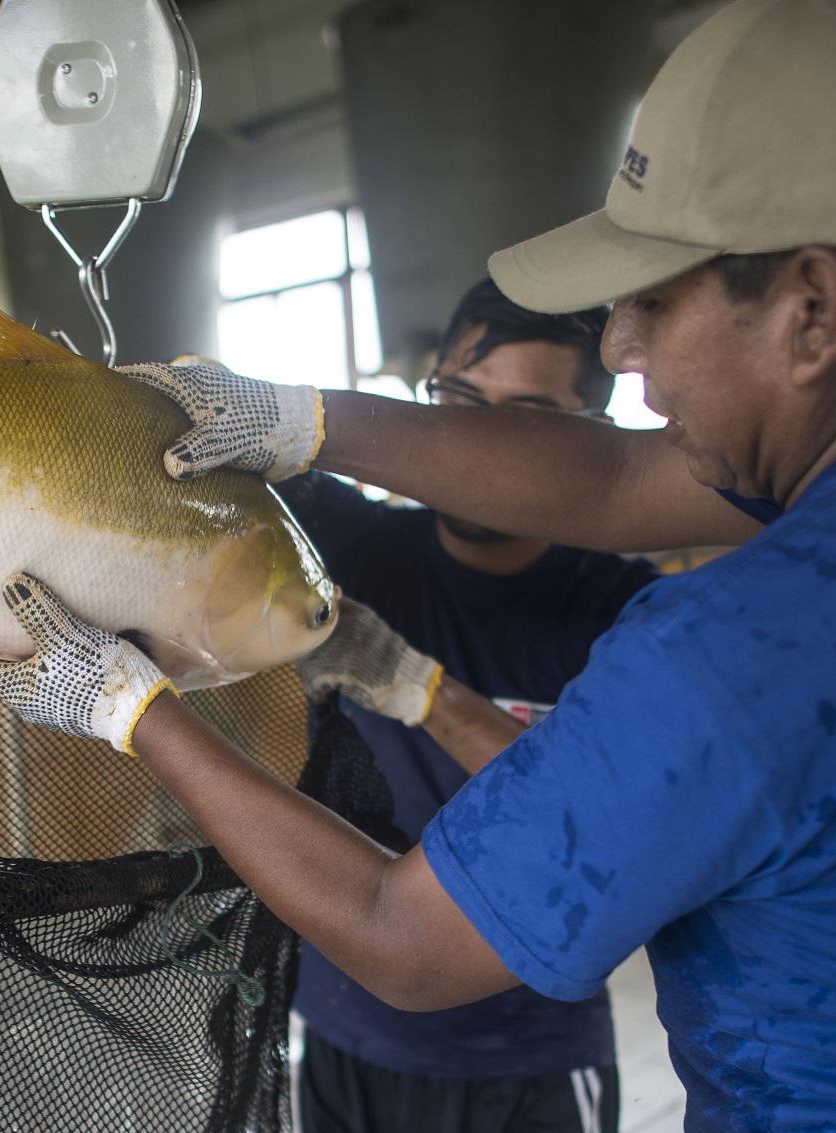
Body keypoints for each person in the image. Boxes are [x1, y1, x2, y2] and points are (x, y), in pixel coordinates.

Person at [0, 0, 836, 1127]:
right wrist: (293, 416)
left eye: (655, 298)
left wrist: (123, 704)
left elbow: (403, 937)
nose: (620, 345)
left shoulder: (737, 650)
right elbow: (618, 481)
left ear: (813, 310)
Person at [272, 279, 658, 1133]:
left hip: (525, 1060)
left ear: (590, 436)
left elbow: (593, 816)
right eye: (458, 403)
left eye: (524, 417)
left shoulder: (625, 611)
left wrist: (421, 688)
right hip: (346, 1026)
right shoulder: (354, 544)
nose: (477, 445)